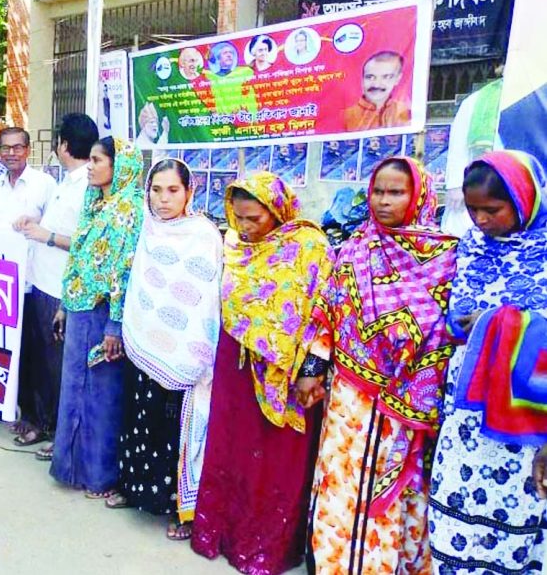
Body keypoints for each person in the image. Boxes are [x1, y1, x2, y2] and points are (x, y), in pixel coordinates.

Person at [309, 157, 458, 573]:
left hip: (405, 402)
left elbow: (446, 331)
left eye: (396, 193)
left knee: (392, 487)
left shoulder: (445, 256)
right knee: (342, 480)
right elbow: (328, 314)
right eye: (378, 191)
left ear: (419, 196)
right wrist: (312, 371)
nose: (384, 201)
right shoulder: (356, 247)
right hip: (349, 397)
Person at [191, 173, 332, 573]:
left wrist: (311, 370)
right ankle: (222, 532)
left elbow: (324, 314)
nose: (246, 228)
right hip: (235, 364)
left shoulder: (309, 246)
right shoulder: (234, 244)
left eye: (255, 219)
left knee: (273, 458)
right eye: (238, 218)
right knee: (231, 446)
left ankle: (265, 548)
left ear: (278, 210)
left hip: (286, 375)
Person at [428, 151, 547, 573]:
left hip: (525, 410)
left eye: (492, 210)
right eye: (473, 209)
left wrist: (495, 322)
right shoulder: (472, 246)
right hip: (467, 399)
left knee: (516, 506)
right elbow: (455, 318)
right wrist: (482, 325)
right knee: (457, 495)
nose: (480, 220)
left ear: (524, 200)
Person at [109, 158, 222, 542]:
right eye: (156, 189)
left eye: (173, 190)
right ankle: (135, 488)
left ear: (190, 192)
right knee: (139, 415)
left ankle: (178, 506)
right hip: (144, 339)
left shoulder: (203, 234)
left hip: (185, 352)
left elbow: (205, 298)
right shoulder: (145, 228)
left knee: (174, 426)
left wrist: (188, 345)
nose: (163, 199)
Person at [50, 137, 144, 498]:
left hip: (105, 312)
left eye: (96, 160)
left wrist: (115, 326)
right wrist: (64, 304)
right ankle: (69, 466)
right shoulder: (94, 201)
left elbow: (125, 270)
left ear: (119, 166)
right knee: (73, 389)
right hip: (79, 307)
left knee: (101, 395)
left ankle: (99, 475)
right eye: (89, 160)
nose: (89, 166)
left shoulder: (131, 208)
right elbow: (78, 257)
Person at [13, 113, 98, 459]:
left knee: (59, 366)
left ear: (63, 145)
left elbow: (86, 241)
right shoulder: (66, 182)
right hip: (42, 282)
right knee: (43, 363)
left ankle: (60, 435)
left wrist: (44, 235)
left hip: (61, 288)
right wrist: (37, 223)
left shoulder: (86, 188)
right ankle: (43, 421)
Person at [0, 127, 57, 425]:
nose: (11, 153)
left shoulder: (45, 184)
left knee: (32, 353)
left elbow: (54, 225)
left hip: (33, 281)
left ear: (28, 150)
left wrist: (37, 221)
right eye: (5, 148)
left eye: (18, 147)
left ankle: (33, 418)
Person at [343, 51, 411, 132]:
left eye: (386, 77)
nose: (376, 84)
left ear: (397, 79)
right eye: (370, 77)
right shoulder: (346, 116)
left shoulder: (405, 112)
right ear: (362, 79)